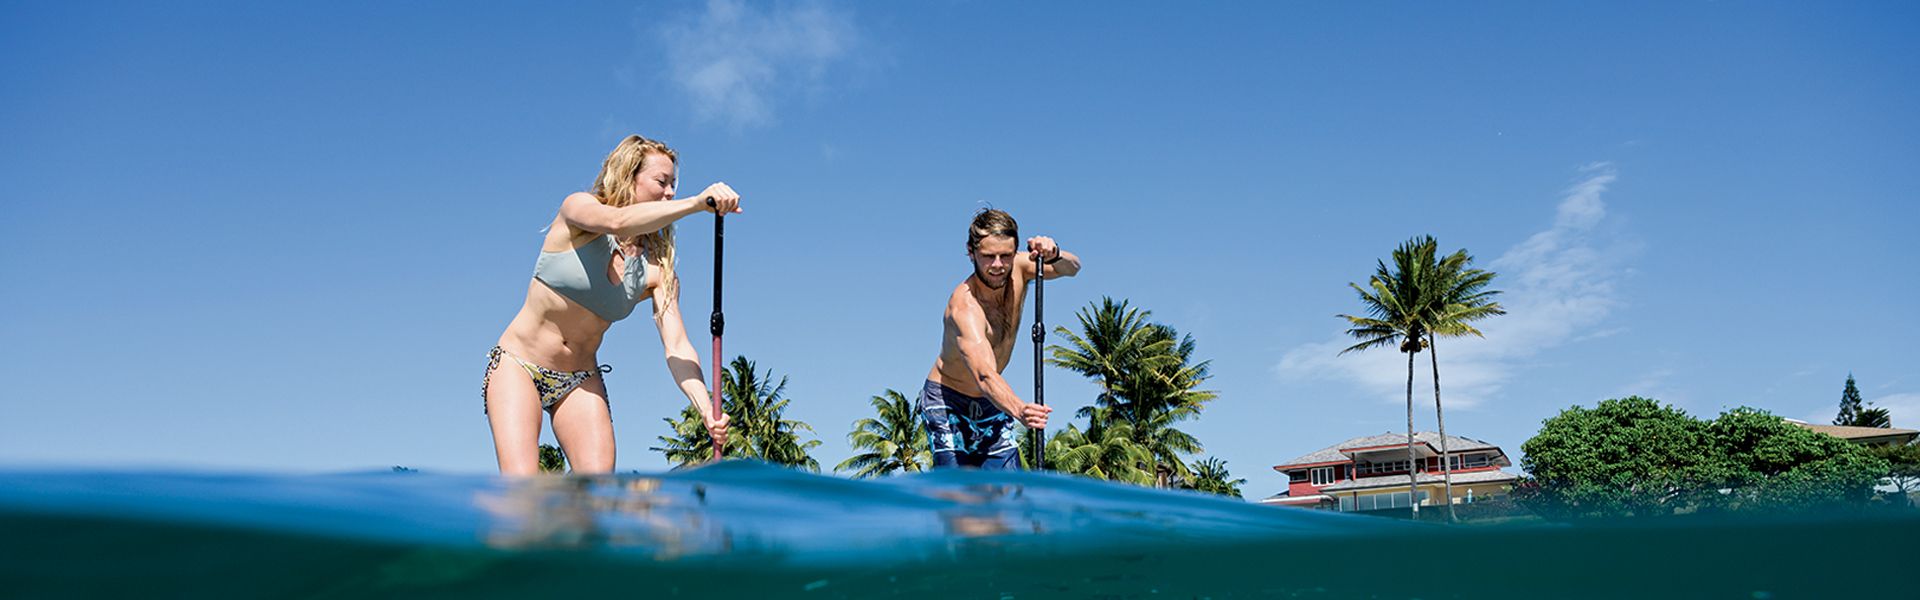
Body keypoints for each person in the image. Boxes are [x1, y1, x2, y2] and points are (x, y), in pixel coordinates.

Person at [481, 134, 740, 475]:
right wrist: (696, 203)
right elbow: (618, 222)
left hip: (579, 378)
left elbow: (677, 346)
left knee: (598, 494)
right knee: (521, 489)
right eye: (662, 182)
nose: (670, 193)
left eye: (675, 185)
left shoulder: (657, 269)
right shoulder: (578, 211)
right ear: (628, 176)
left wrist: (705, 407)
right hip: (519, 364)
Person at [921, 208, 1080, 469]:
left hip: (991, 400)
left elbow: (1073, 268)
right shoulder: (964, 307)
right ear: (971, 252)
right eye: (988, 257)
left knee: (1007, 491)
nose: (997, 265)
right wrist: (1020, 410)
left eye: (1005, 256)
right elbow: (984, 374)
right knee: (960, 496)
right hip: (948, 403)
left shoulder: (1019, 268)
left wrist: (1055, 253)